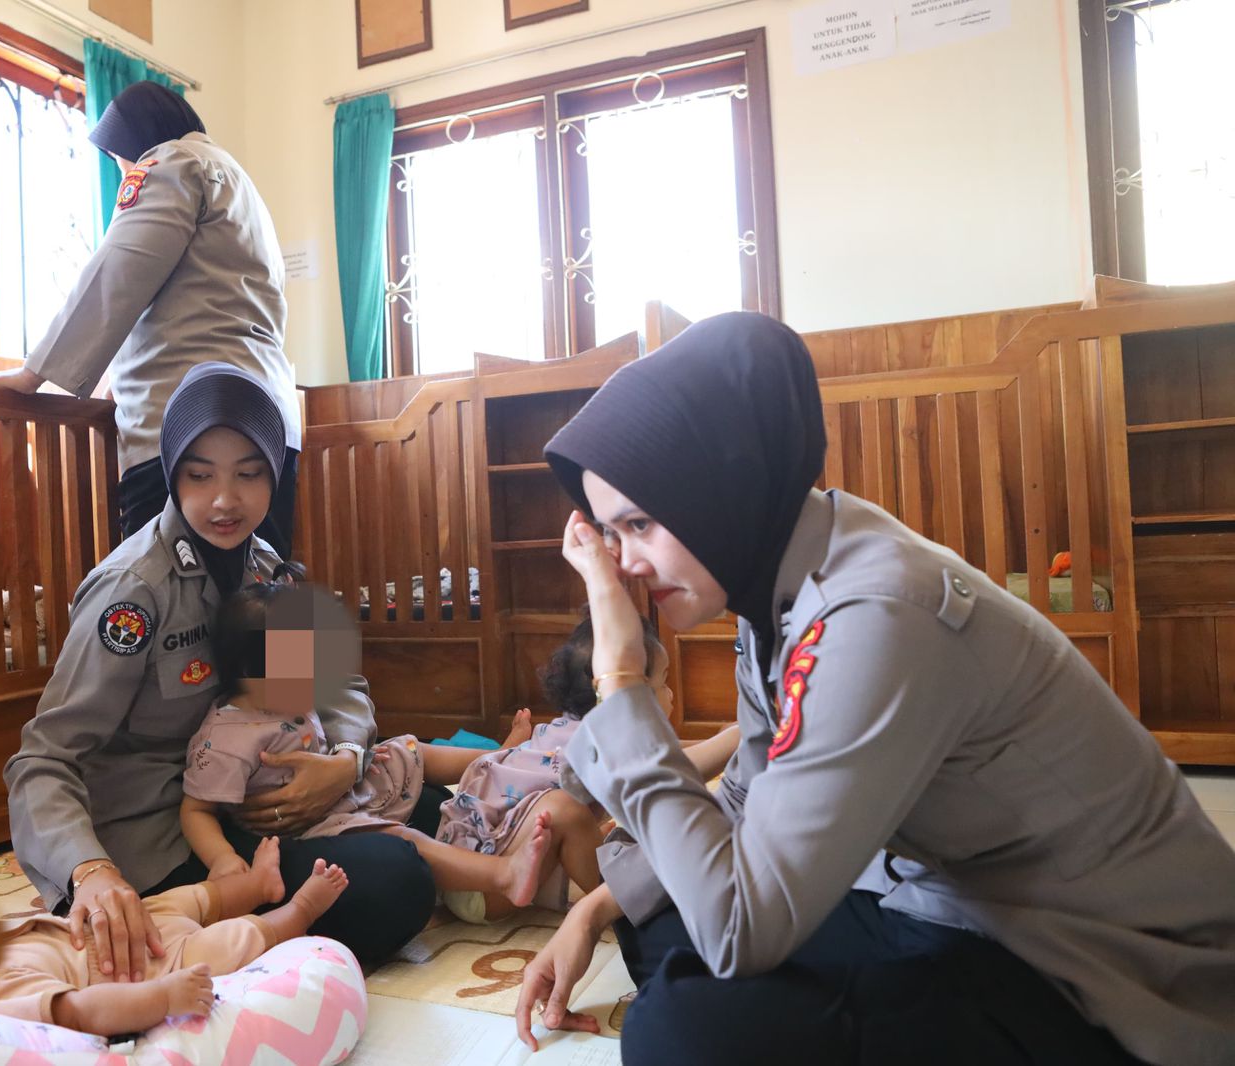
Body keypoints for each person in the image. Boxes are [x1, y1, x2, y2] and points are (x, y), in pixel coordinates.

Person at [513, 312, 1235, 1065]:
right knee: (658, 924)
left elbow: (741, 930)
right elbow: (744, 804)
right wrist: (591, 913)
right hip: (959, 905)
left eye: (641, 525)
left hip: (1096, 965)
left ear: (719, 488)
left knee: (684, 1029)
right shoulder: (778, 589)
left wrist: (622, 680)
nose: (622, 564)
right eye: (610, 534)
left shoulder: (874, 613)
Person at [4, 363, 440, 985]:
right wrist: (89, 871)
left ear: (275, 476)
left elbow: (335, 687)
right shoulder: (134, 592)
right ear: (173, 473)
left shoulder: (265, 569)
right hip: (166, 835)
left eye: (249, 473)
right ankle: (185, 924)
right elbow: (42, 759)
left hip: (255, 800)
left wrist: (345, 759)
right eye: (200, 475)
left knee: (424, 806)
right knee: (397, 881)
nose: (225, 500)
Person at [0, 82, 302, 555]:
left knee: (160, 599)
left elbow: (120, 271)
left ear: (136, 143)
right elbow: (200, 300)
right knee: (260, 591)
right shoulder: (239, 183)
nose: (123, 171)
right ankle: (298, 635)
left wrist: (33, 375)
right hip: (267, 421)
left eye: (118, 160)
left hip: (190, 421)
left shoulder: (171, 163)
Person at [180, 578, 558, 912]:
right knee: (400, 839)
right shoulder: (226, 740)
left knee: (411, 748)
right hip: (316, 825)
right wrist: (222, 858)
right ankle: (502, 875)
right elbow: (197, 810)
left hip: (342, 788)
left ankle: (503, 758)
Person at [0, 838, 349, 1035]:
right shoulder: (1, 1000)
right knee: (233, 940)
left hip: (132, 920)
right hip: (157, 961)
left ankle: (252, 882)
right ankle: (295, 911)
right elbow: (80, 1010)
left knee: (189, 898)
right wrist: (162, 997)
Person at [434, 614, 738, 924]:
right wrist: (738, 737)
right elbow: (676, 768)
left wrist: (717, 739)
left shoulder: (573, 727)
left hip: (462, 870)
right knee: (565, 811)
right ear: (628, 694)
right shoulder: (601, 739)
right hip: (482, 884)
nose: (671, 694)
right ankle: (623, 905)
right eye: (663, 683)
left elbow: (664, 753)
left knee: (596, 821)